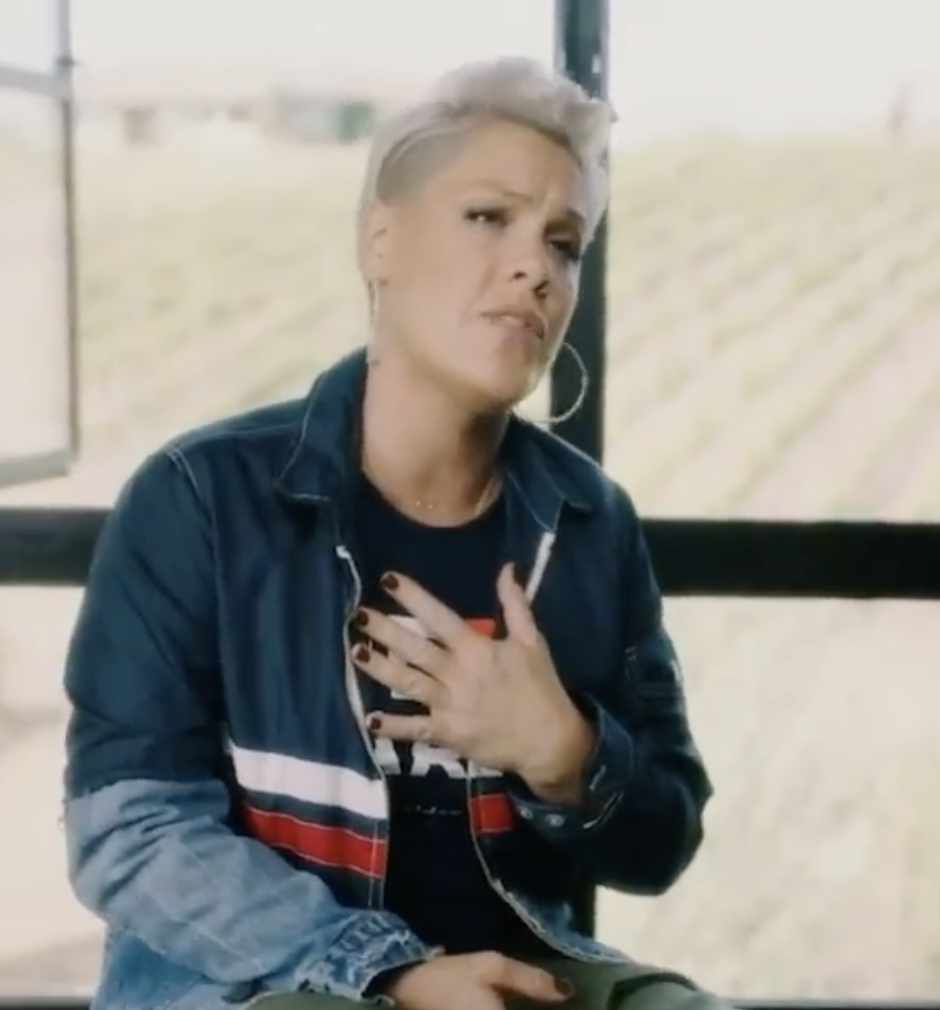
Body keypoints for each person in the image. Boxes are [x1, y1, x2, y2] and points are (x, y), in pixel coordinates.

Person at [63, 56, 720, 1010]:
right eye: (488, 217)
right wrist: (388, 969)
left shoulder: (591, 523)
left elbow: (661, 843)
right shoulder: (198, 498)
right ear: (380, 241)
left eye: (565, 243)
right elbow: (128, 832)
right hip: (257, 984)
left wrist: (567, 754)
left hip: (513, 973)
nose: (536, 267)